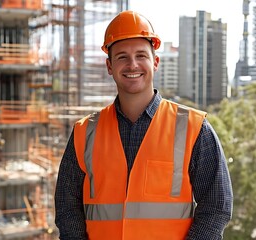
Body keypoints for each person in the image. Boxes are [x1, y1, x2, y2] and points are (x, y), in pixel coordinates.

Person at [55, 10, 233, 240]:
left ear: (155, 62)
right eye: (122, 57)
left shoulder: (193, 128)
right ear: (109, 67)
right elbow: (68, 208)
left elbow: (217, 206)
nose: (132, 65)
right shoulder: (84, 132)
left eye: (141, 55)